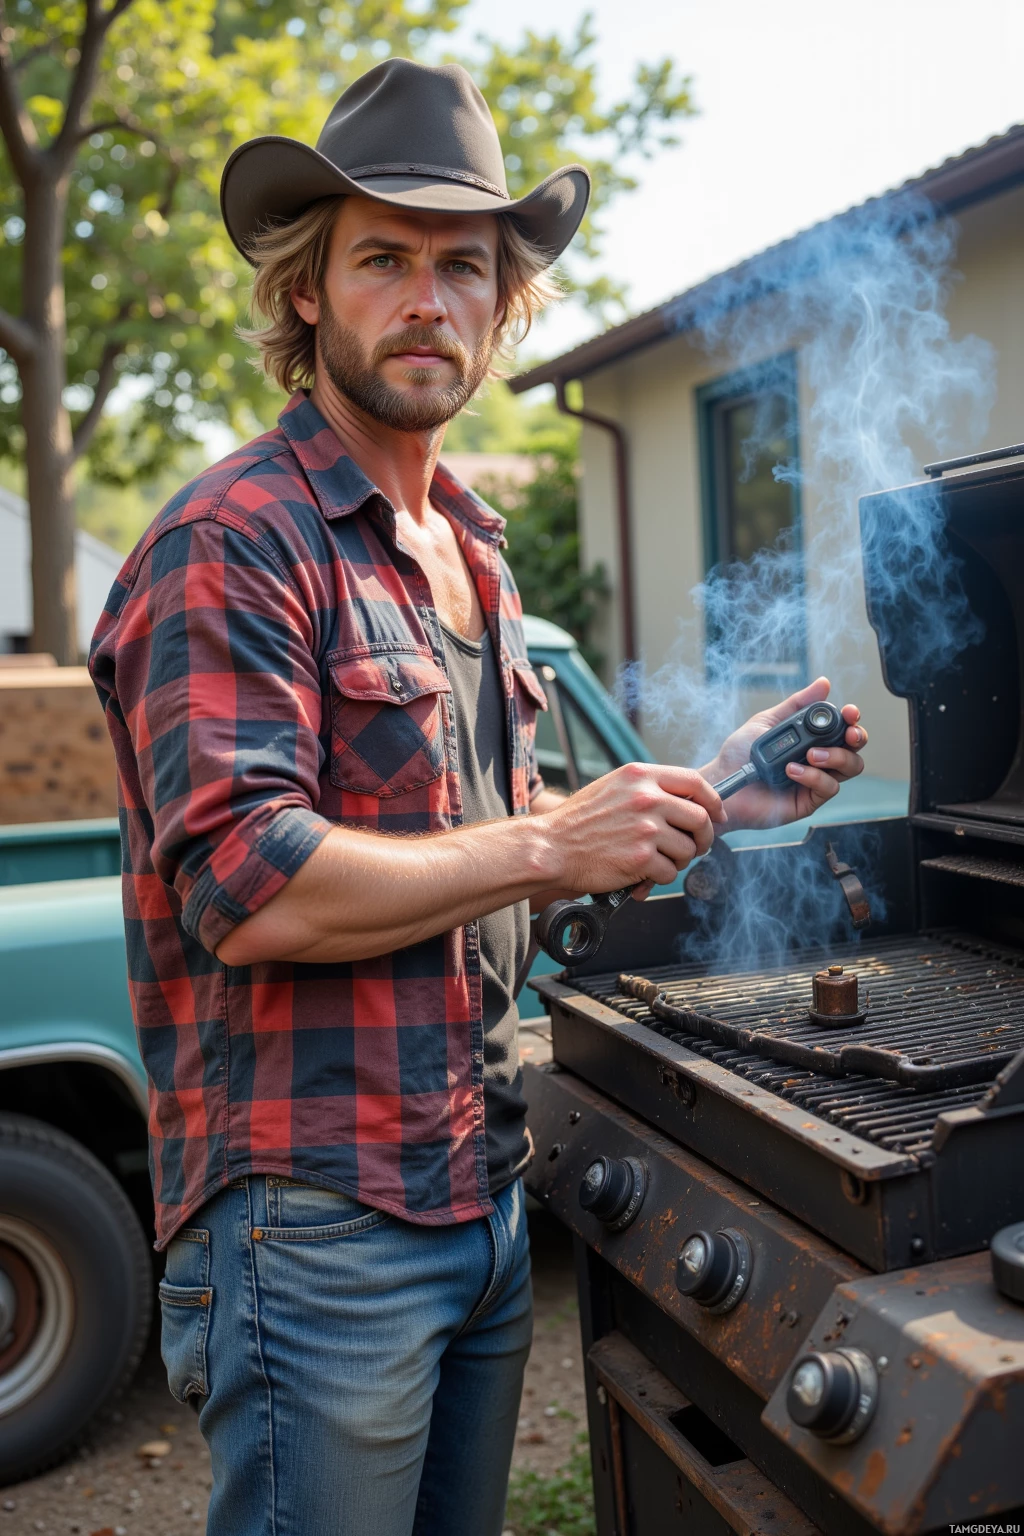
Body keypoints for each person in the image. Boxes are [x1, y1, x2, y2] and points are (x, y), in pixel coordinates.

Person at [90, 57, 867, 1536]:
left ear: (504, 305)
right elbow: (250, 885)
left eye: (465, 267)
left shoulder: (473, 545)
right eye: (382, 258)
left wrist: (702, 799)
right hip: (316, 1223)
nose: (428, 299)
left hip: (483, 1184)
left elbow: (478, 853)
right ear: (307, 291)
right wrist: (549, 837)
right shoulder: (232, 539)